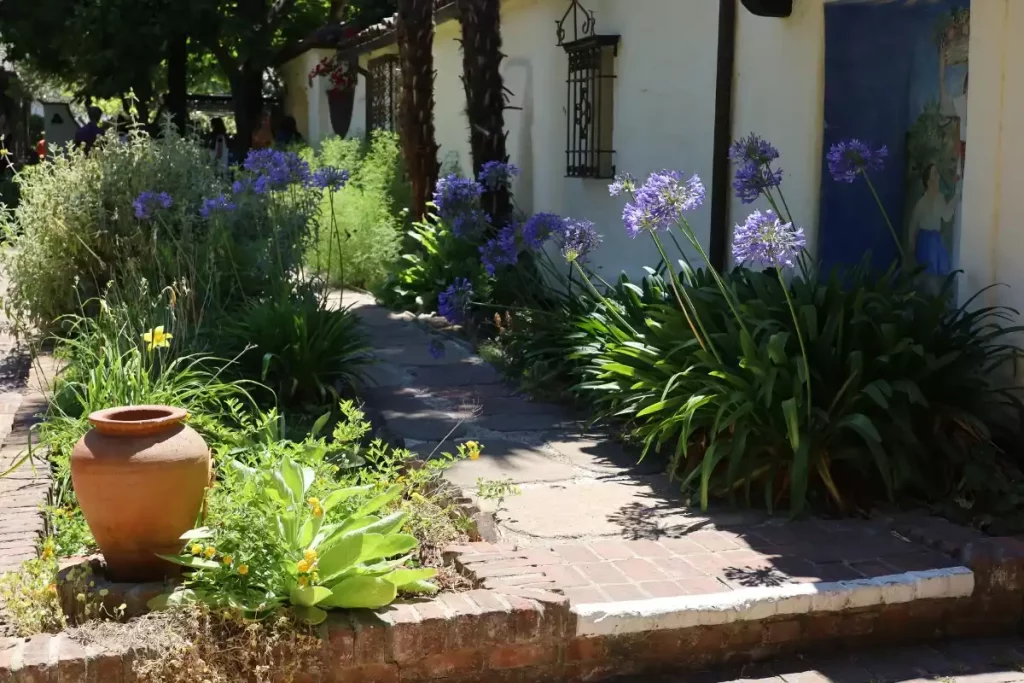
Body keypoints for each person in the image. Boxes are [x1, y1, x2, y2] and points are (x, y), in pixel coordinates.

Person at [908, 163, 959, 277]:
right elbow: (913, 224)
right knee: (928, 275)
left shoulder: (940, 198)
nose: (938, 177)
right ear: (928, 180)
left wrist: (956, 198)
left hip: (936, 242)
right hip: (925, 241)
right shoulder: (921, 202)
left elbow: (946, 216)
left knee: (935, 275)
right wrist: (911, 244)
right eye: (935, 174)